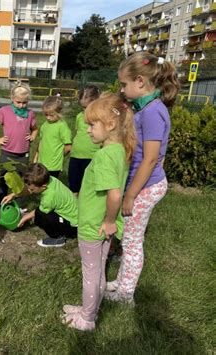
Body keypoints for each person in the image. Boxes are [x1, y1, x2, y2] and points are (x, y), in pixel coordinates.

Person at [105, 53, 180, 304]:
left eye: (124, 85)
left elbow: (150, 159)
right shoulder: (145, 107)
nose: (122, 90)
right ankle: (123, 280)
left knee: (133, 242)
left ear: (139, 81)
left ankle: (126, 294)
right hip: (142, 184)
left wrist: (130, 194)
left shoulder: (152, 112)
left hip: (145, 187)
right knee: (129, 239)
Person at [62, 93, 136, 331]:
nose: (88, 130)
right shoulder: (119, 151)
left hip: (95, 225)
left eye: (93, 125)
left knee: (91, 275)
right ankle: (89, 309)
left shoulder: (105, 156)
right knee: (99, 270)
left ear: (111, 125)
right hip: (102, 225)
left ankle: (87, 319)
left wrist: (109, 221)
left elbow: (114, 195)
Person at [0, 81, 38, 205]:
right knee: (4, 180)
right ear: (12, 98)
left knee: (21, 181)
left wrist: (33, 136)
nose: (21, 105)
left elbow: (35, 129)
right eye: (18, 102)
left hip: (23, 155)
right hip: (7, 153)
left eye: (24, 102)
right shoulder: (4, 111)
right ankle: (1, 204)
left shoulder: (30, 114)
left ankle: (19, 205)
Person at [2, 163, 77, 248]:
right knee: (40, 213)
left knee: (40, 216)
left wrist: (24, 218)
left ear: (43, 186)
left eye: (32, 189)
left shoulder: (49, 197)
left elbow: (39, 211)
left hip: (72, 226)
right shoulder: (50, 180)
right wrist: (13, 195)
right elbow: (29, 189)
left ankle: (58, 238)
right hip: (74, 216)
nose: (30, 190)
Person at [68, 85, 101, 196]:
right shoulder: (79, 116)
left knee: (87, 186)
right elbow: (78, 132)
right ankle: (73, 208)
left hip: (91, 156)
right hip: (76, 155)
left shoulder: (100, 117)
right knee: (73, 184)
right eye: (83, 107)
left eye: (87, 107)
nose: (85, 110)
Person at [33, 96, 71, 179]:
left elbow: (68, 147)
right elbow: (41, 142)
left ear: (59, 113)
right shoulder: (44, 125)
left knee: (51, 185)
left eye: (51, 115)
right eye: (46, 114)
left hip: (53, 165)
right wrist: (36, 157)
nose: (48, 117)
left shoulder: (62, 126)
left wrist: (59, 156)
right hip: (42, 162)